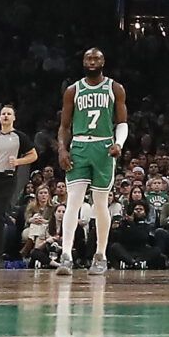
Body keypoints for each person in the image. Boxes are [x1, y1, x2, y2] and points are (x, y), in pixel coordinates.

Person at [56, 50, 127, 275]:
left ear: (103, 62)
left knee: (100, 203)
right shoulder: (73, 90)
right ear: (83, 63)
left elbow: (122, 121)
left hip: (104, 147)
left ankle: (100, 255)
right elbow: (64, 126)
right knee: (73, 202)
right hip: (79, 146)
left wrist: (120, 143)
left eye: (96, 59)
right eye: (88, 59)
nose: (92, 62)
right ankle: (66, 255)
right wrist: (62, 149)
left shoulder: (115, 88)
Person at [0, 106, 37, 263]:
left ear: (14, 118)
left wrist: (18, 161)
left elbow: (33, 155)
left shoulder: (19, 136)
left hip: (8, 178)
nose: (5, 116)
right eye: (3, 114)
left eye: (9, 114)